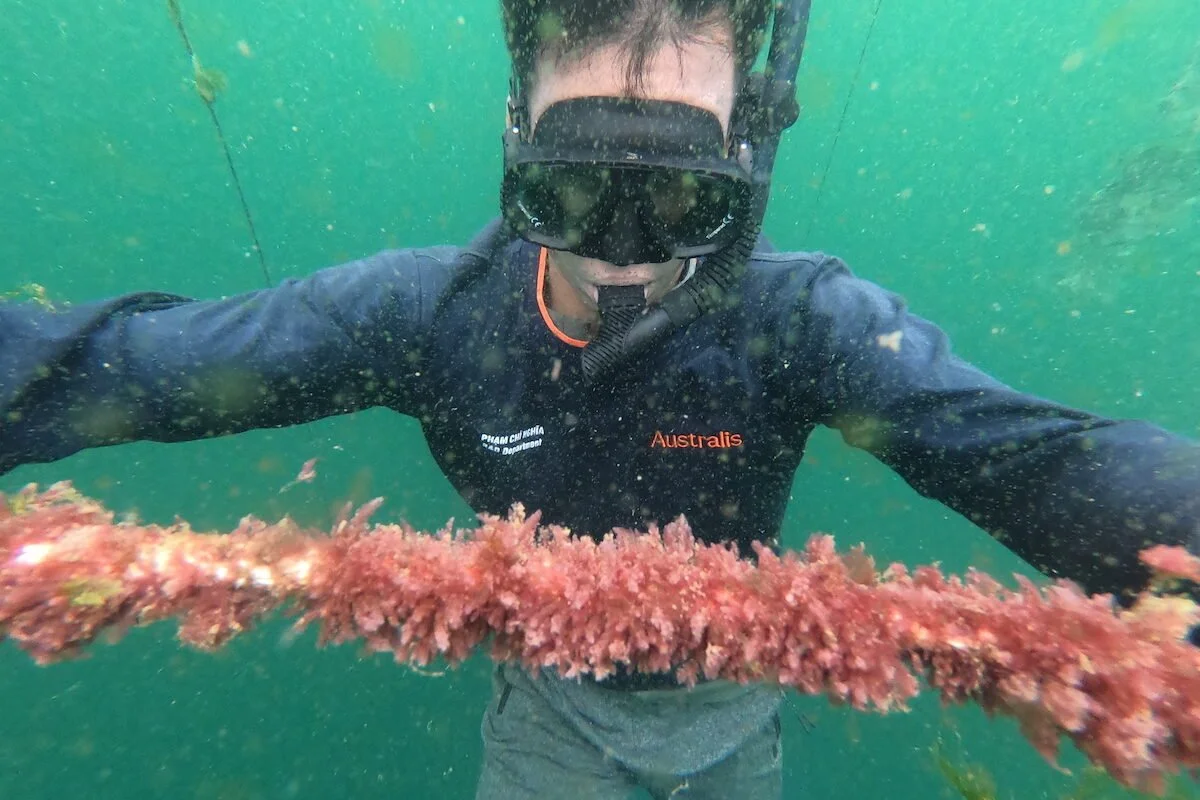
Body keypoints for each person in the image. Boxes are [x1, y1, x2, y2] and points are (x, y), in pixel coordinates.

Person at [1, 1, 1197, 798]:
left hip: (736, 714)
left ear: (747, 161)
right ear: (513, 140)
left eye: (681, 205)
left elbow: (1041, 461)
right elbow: (143, 364)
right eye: (573, 192)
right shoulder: (431, 314)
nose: (622, 255)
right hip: (548, 718)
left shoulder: (802, 320)